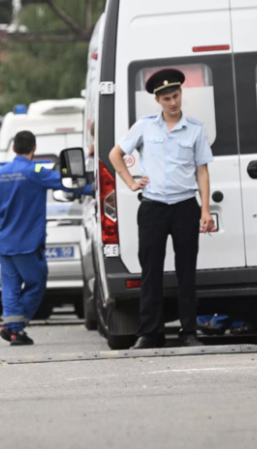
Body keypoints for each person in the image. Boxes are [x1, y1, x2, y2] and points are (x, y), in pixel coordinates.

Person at [108, 68, 215, 349]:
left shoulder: (195, 128)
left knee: (186, 272)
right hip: (153, 207)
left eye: (176, 95)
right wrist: (130, 183)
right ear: (157, 100)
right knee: (151, 272)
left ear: (181, 94)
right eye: (167, 98)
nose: (173, 102)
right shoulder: (144, 126)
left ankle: (189, 332)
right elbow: (115, 154)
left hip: (184, 207)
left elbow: (202, 172)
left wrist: (205, 210)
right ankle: (149, 333)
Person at [0, 131, 90, 345]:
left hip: (5, 242)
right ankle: (15, 328)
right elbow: (65, 183)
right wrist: (95, 188)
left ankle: (11, 327)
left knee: (10, 287)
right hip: (27, 243)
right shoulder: (35, 170)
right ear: (34, 148)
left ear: (14, 148)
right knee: (36, 284)